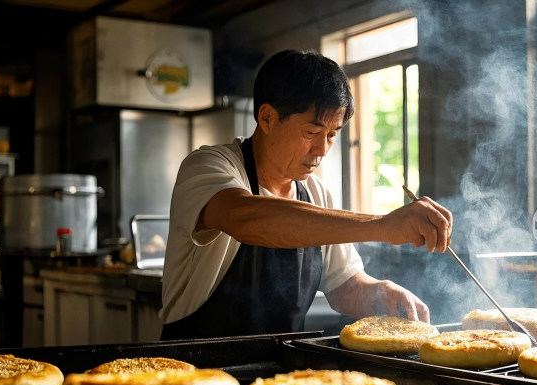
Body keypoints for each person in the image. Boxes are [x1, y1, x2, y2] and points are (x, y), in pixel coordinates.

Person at [158, 49, 453, 340]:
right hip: (193, 370)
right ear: (267, 118)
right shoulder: (208, 166)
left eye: (332, 135)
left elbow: (343, 283)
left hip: (281, 377)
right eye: (311, 133)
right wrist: (382, 226)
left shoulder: (315, 193)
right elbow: (244, 217)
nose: (322, 150)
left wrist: (381, 292)